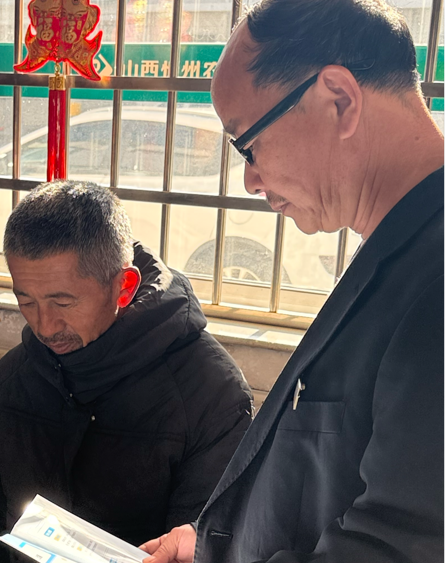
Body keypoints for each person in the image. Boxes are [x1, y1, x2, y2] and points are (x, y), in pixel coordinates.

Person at [141, 1, 445, 561]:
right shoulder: (402, 242)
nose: (251, 180)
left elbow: (395, 546)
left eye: (247, 144)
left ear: (339, 99)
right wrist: (214, 547)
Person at [0, 181, 253, 562]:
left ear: (123, 287)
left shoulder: (212, 395)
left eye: (63, 303)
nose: (44, 326)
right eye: (26, 301)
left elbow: (199, 547)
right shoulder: (18, 372)